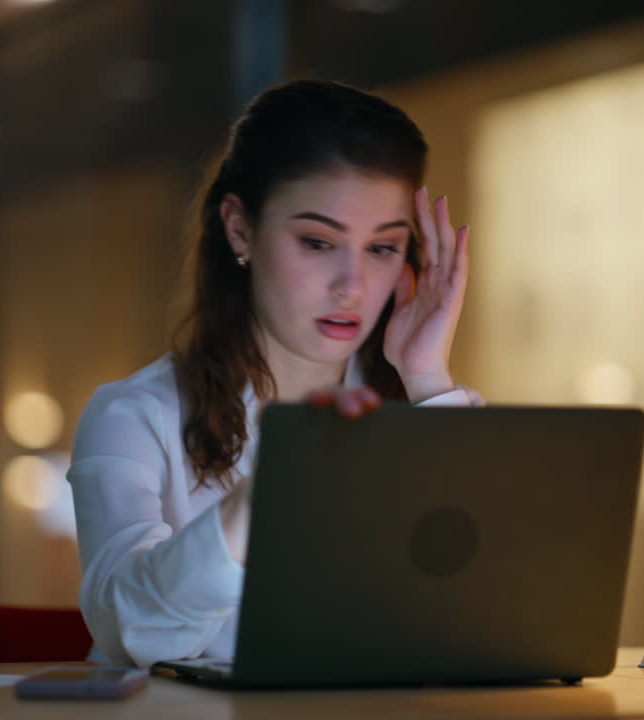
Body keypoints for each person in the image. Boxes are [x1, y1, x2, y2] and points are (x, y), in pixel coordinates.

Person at [67, 79, 483, 668]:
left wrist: (427, 379)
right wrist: (265, 495)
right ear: (239, 228)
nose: (353, 286)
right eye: (317, 242)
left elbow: (486, 612)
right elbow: (131, 631)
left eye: (383, 248)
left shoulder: (417, 405)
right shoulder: (135, 416)